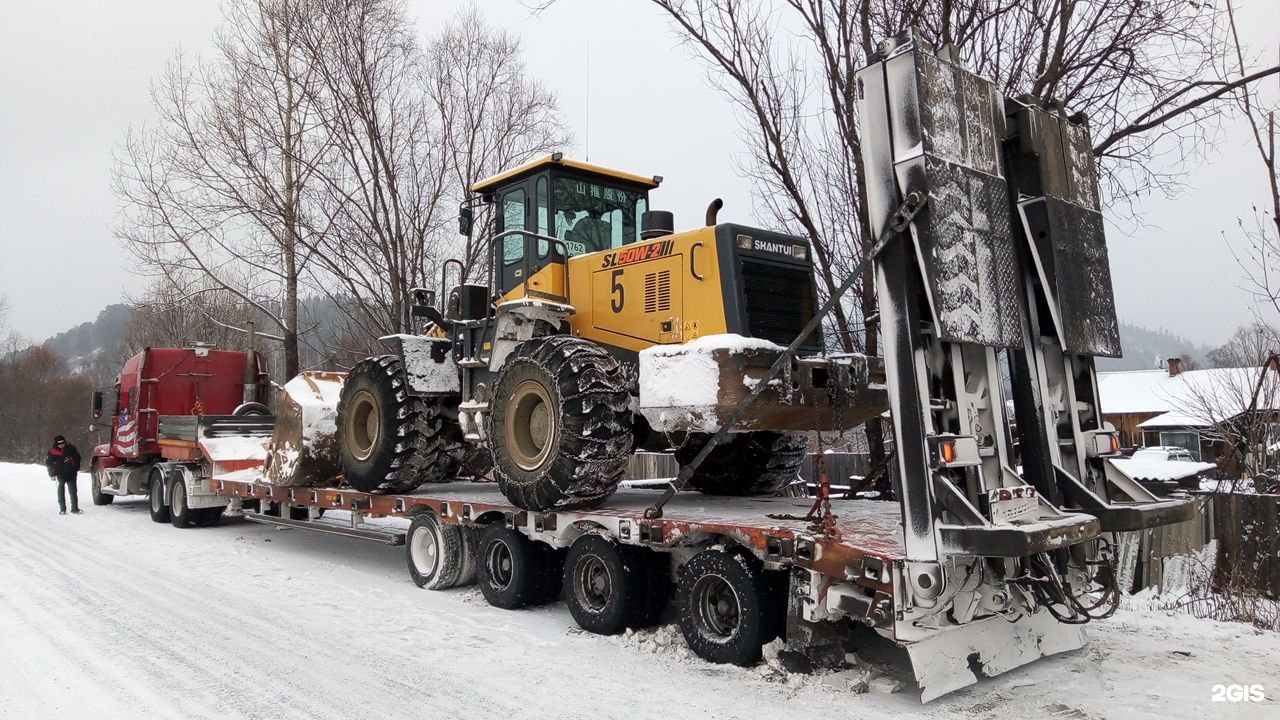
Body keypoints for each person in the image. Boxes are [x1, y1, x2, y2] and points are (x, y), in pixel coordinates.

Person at [45, 435, 83, 515]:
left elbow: (78, 458)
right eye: (59, 444)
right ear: (56, 444)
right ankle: (62, 509)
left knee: (73, 491)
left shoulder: (71, 448)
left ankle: (75, 508)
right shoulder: (52, 451)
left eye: (63, 443)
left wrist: (76, 467)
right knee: (60, 492)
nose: (62, 445)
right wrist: (51, 474)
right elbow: (49, 464)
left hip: (71, 473)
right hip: (60, 474)